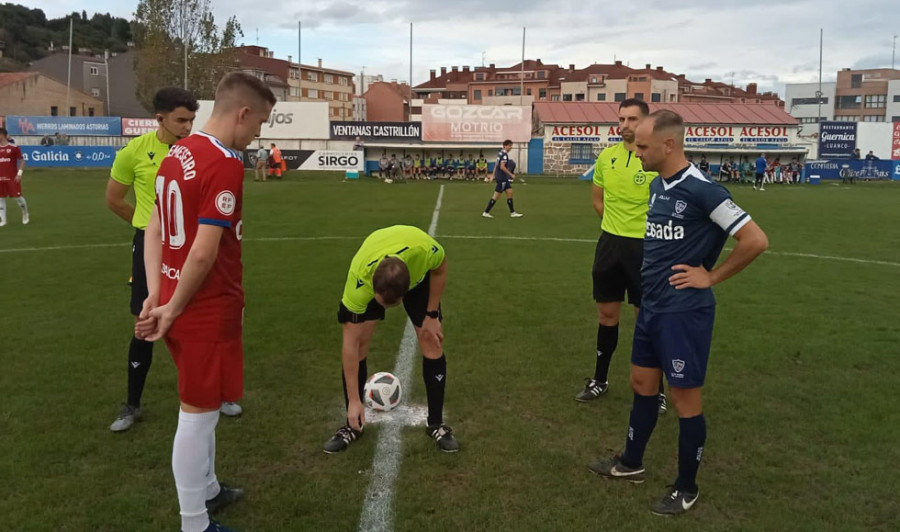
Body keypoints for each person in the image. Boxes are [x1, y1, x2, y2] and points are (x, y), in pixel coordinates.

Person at [588, 110, 768, 516]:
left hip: (684, 312)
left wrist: (711, 276)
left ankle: (686, 487)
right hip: (653, 306)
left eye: (644, 146)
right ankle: (631, 463)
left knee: (686, 399)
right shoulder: (657, 186)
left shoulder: (704, 190)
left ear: (669, 145)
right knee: (641, 383)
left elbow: (755, 239)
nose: (637, 152)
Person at [135, 72, 276, 532]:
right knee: (195, 413)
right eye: (261, 123)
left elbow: (154, 227)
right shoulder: (224, 162)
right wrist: (173, 308)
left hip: (177, 297)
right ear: (243, 114)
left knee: (208, 406)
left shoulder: (178, 151)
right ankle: (194, 523)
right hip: (204, 304)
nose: (259, 132)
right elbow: (203, 249)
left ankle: (209, 488)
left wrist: (158, 293)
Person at [107, 88, 242, 431]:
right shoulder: (134, 152)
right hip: (151, 245)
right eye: (181, 120)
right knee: (146, 318)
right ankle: (132, 404)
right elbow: (114, 199)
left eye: (191, 120)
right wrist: (146, 226)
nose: (187, 126)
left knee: (204, 320)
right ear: (159, 118)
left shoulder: (196, 151)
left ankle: (217, 393)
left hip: (193, 245)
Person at [323, 225, 459, 454]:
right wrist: (355, 401)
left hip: (413, 270)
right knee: (361, 343)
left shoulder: (424, 252)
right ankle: (352, 425)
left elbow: (441, 268)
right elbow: (350, 345)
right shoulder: (359, 282)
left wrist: (432, 314)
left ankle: (436, 424)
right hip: (372, 266)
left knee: (431, 339)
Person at [579, 99, 665, 413]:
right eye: (621, 118)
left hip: (647, 250)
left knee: (647, 321)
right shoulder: (606, 157)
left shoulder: (656, 159)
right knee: (607, 317)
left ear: (646, 123)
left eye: (632, 119)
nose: (625, 124)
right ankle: (599, 380)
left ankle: (657, 390)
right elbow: (597, 201)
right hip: (610, 247)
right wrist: (616, 227)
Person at [482, 140, 524, 218]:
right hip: (502, 178)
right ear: (505, 146)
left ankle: (513, 212)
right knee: (496, 196)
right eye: (509, 146)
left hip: (503, 178)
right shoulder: (504, 154)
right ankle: (486, 212)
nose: (511, 147)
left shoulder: (500, 153)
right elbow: (502, 167)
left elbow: (496, 165)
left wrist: (493, 175)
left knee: (510, 193)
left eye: (511, 146)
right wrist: (511, 174)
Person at [0, 127, 28, 227]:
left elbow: (22, 160)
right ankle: (3, 220)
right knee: (1, 198)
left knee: (18, 197)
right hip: (0, 178)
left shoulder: (14, 147)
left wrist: (19, 174)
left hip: (12, 177)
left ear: (2, 135)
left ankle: (25, 214)